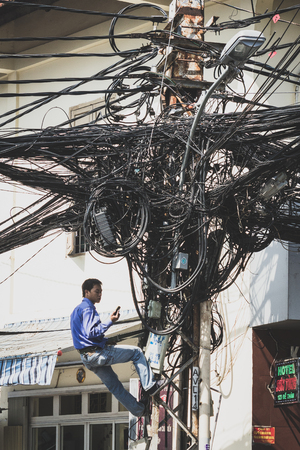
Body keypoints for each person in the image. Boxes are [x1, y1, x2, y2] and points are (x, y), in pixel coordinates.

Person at [70, 278, 162, 417]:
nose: (100, 294)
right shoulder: (87, 308)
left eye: (101, 292)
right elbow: (91, 332)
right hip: (96, 354)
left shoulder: (75, 311)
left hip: (87, 357)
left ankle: (139, 410)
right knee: (136, 353)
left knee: (114, 386)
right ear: (86, 292)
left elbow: (85, 337)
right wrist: (110, 321)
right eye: (97, 291)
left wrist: (104, 341)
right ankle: (151, 387)